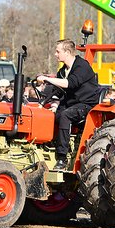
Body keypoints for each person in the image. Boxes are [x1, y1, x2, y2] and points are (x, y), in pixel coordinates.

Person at [37, 38, 99, 170]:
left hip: (87, 104)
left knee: (65, 116)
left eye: (57, 51)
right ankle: (46, 147)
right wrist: (52, 106)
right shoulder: (62, 71)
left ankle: (62, 158)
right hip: (71, 103)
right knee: (51, 116)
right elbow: (57, 93)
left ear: (67, 52)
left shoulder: (82, 66)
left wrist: (48, 79)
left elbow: (70, 83)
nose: (55, 54)